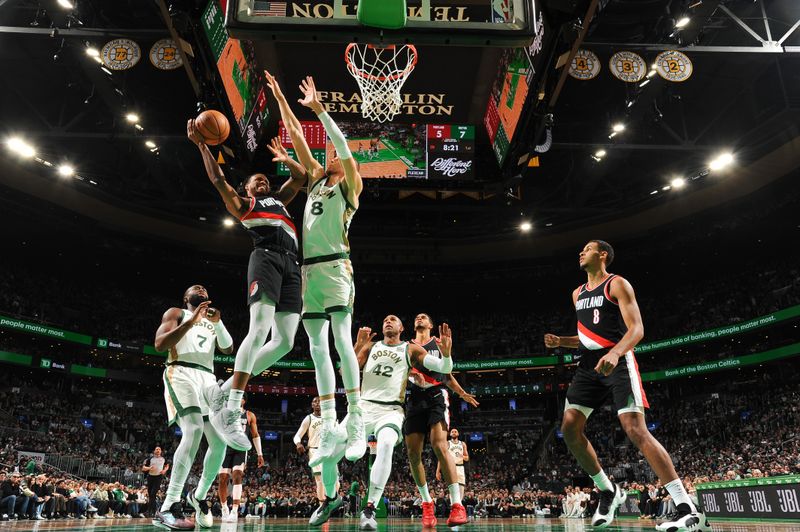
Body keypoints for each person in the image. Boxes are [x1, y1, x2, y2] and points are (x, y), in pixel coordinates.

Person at [544, 240, 709, 531]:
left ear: (603, 255)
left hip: (618, 360)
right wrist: (562, 341)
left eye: (588, 249)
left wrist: (616, 352)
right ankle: (608, 490)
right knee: (569, 429)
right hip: (589, 364)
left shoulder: (617, 284)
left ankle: (686, 507)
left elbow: (637, 329)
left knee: (634, 428)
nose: (581, 252)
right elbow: (586, 336)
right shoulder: (577, 293)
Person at [264, 71, 366, 464]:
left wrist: (321, 110)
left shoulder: (350, 186)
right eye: (329, 156)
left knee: (343, 343)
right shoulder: (316, 182)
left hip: (337, 269)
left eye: (337, 156)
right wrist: (281, 99)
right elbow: (298, 135)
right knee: (317, 350)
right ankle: (331, 420)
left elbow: (339, 144)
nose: (331, 156)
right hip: (309, 272)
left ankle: (356, 418)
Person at [188, 119, 308, 451]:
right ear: (246, 189)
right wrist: (202, 145)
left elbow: (300, 177)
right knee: (258, 331)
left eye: (265, 178)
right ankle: (230, 407)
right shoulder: (244, 205)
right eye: (256, 180)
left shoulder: (281, 199)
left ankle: (222, 390)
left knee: (284, 342)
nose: (263, 181)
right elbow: (217, 179)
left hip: (292, 266)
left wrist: (285, 159)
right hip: (266, 259)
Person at [318, 316, 462, 530]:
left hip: (392, 408)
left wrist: (448, 355)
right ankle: (330, 499)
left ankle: (370, 508)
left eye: (393, 319)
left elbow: (442, 367)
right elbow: (344, 373)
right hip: (364, 407)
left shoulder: (410, 349)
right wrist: (357, 345)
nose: (388, 321)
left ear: (402, 328)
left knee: (388, 446)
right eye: (385, 319)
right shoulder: (371, 346)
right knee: (329, 454)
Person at [152, 285, 233, 529]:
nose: (201, 288)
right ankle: (168, 505)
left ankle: (198, 497)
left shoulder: (212, 321)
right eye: (195, 288)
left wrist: (217, 323)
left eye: (205, 289)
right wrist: (192, 320)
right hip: (181, 371)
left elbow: (228, 349)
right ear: (187, 298)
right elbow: (160, 344)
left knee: (220, 442)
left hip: (207, 379)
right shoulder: (176, 312)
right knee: (195, 429)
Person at [404, 313, 470, 528]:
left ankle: (457, 506)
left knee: (440, 446)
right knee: (413, 454)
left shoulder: (439, 343)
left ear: (430, 325)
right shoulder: (406, 346)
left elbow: (447, 374)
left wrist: (462, 393)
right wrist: (412, 376)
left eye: (424, 317)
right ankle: (426, 503)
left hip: (436, 395)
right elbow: (400, 372)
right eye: (417, 317)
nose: (420, 318)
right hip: (413, 398)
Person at [219, 394, 263, 522]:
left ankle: (234, 510)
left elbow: (255, 435)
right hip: (225, 448)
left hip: (240, 448)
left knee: (237, 475)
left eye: (240, 397)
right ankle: (224, 508)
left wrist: (259, 454)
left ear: (243, 401)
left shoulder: (249, 415)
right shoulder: (225, 413)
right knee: (222, 479)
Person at [293, 397, 331, 506]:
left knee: (335, 481)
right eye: (315, 401)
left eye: (320, 401)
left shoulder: (329, 418)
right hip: (315, 451)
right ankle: (322, 506)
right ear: (312, 405)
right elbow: (297, 436)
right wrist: (298, 443)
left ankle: (330, 501)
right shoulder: (309, 418)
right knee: (320, 480)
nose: (317, 403)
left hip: (328, 451)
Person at [437, 428, 469, 500]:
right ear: (450, 434)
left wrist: (463, 457)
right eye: (452, 432)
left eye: (455, 431)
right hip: (451, 467)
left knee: (461, 490)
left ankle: (459, 506)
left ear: (458, 434)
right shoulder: (447, 443)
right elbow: (440, 457)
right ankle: (453, 507)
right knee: (453, 489)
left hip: (460, 467)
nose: (454, 433)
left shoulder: (462, 444)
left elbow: (467, 458)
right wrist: (438, 470)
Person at [142, 446, 169, 518]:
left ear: (161, 451)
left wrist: (164, 470)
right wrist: (149, 468)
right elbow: (143, 468)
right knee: (151, 495)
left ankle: (149, 511)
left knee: (153, 493)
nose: (158, 450)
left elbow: (167, 465)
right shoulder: (150, 459)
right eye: (156, 449)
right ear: (154, 451)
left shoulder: (163, 459)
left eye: (159, 449)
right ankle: (153, 512)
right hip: (150, 477)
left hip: (158, 477)